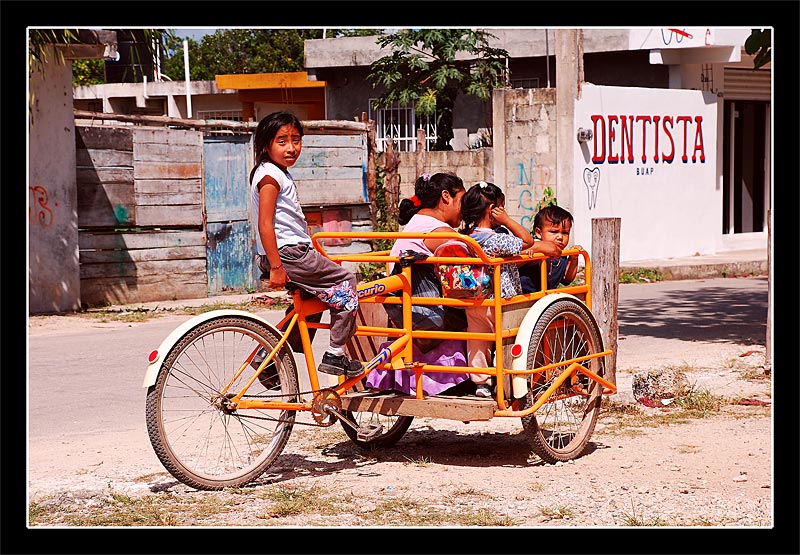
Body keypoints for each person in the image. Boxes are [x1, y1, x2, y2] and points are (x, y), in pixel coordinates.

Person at [250, 111, 361, 378]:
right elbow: (266, 224)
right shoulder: (270, 177)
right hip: (289, 254)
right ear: (266, 145)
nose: (291, 148)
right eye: (282, 141)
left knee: (312, 300)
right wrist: (276, 266)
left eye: (296, 140)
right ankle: (336, 356)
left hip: (289, 252)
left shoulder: (276, 173)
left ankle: (271, 357)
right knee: (346, 284)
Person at [366, 172, 471, 396]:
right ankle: (475, 376)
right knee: (478, 312)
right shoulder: (437, 230)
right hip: (425, 312)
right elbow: (474, 247)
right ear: (446, 197)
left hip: (411, 309)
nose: (464, 209)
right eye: (461, 201)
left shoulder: (417, 224)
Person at [460, 181, 534, 397]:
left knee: (477, 341)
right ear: (493, 210)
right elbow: (527, 241)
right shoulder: (496, 239)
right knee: (505, 340)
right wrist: (507, 221)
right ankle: (504, 383)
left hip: (473, 299)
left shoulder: (465, 237)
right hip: (500, 300)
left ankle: (481, 383)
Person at [518, 205, 581, 293]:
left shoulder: (561, 255)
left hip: (545, 299)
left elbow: (567, 279)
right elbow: (515, 261)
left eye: (565, 233)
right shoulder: (534, 247)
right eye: (554, 232)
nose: (560, 237)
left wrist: (574, 258)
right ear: (539, 233)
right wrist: (530, 257)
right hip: (522, 297)